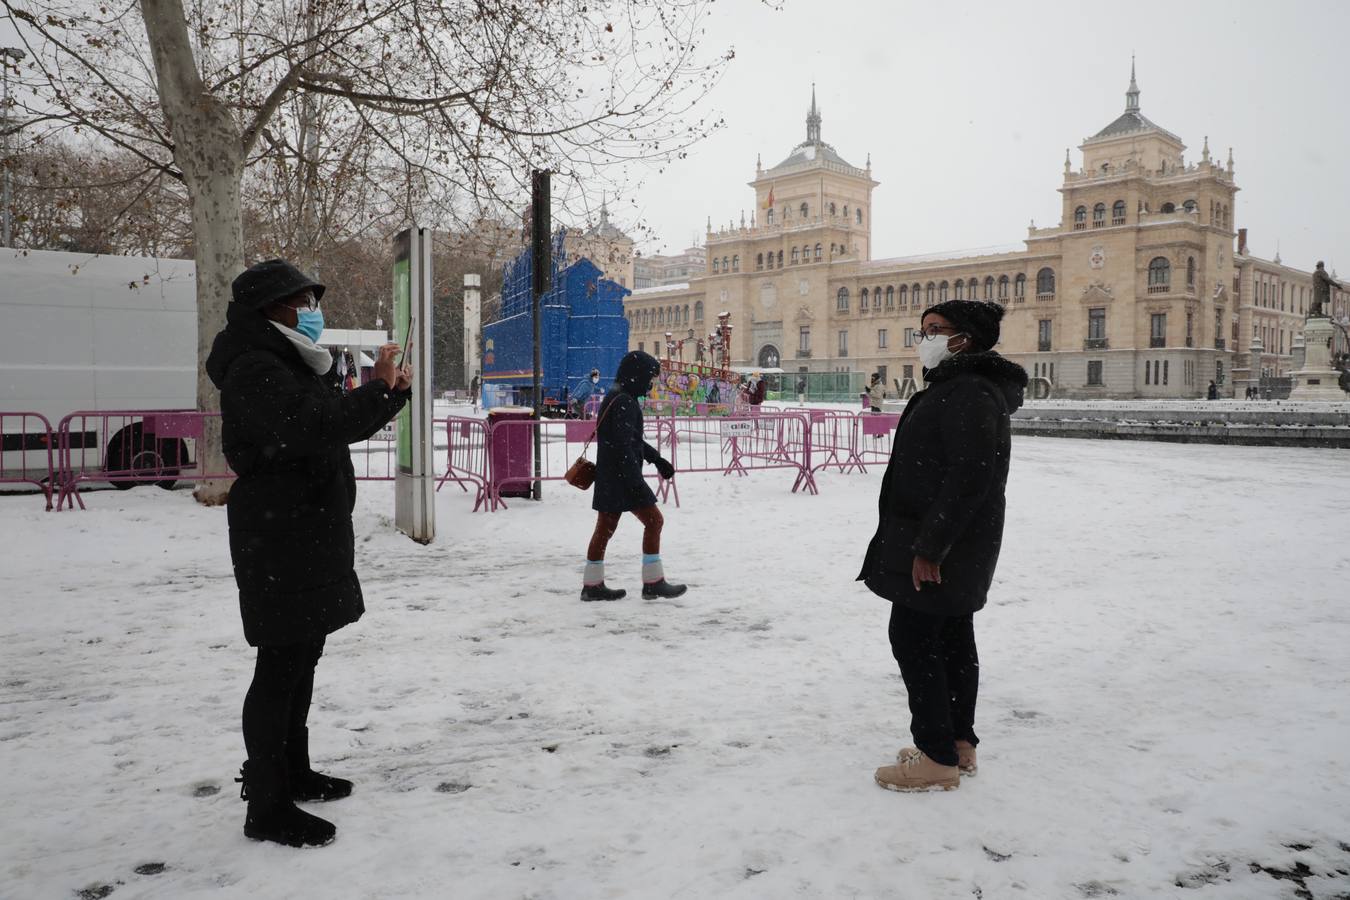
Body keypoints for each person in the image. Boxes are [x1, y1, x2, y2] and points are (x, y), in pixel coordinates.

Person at [205, 259, 412, 847]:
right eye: (303, 300)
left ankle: (294, 771)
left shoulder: (292, 358)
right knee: (280, 665)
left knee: (303, 657)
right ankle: (266, 802)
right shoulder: (254, 365)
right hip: (279, 535)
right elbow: (315, 423)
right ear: (270, 308)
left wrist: (388, 391)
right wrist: (376, 391)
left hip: (305, 530)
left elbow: (330, 422)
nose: (313, 309)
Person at [857, 299, 1027, 792]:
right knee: (950, 639)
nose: (924, 338)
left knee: (914, 639)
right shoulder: (962, 388)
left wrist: (930, 547)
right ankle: (956, 743)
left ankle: (936, 757)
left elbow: (968, 479)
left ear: (964, 339)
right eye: (922, 329)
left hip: (942, 547)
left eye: (935, 330)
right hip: (953, 543)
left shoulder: (969, 391)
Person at [582, 351, 687, 602]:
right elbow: (624, 447)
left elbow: (631, 440)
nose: (650, 383)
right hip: (622, 478)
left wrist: (656, 459)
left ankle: (592, 584)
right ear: (636, 375)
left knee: (605, 529)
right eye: (649, 377)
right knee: (654, 521)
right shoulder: (625, 401)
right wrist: (636, 483)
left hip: (611, 477)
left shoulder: (616, 396)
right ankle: (653, 582)